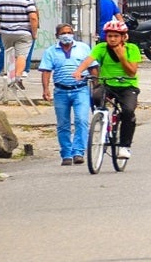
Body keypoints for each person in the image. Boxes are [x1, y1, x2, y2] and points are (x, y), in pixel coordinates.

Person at [72, 19, 141, 160]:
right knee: (96, 96)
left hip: (127, 85)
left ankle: (124, 146)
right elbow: (88, 60)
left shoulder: (132, 49)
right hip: (107, 83)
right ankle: (102, 120)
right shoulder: (101, 48)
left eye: (116, 36)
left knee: (128, 111)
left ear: (123, 37)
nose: (113, 39)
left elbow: (131, 72)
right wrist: (79, 71)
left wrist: (122, 56)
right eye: (110, 36)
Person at [38, 24, 92, 166]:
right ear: (57, 36)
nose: (66, 35)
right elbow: (46, 71)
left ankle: (78, 152)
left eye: (69, 32)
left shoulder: (83, 48)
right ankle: (66, 153)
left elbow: (93, 67)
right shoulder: (51, 51)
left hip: (80, 90)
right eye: (63, 33)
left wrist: (97, 87)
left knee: (81, 120)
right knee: (63, 124)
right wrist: (45, 89)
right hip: (61, 91)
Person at [0, 0, 37, 87]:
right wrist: (34, 33)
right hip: (24, 32)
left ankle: (10, 77)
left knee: (9, 54)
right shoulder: (27, 0)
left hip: (6, 32)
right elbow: (33, 18)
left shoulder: (0, 0)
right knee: (21, 55)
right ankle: (17, 77)